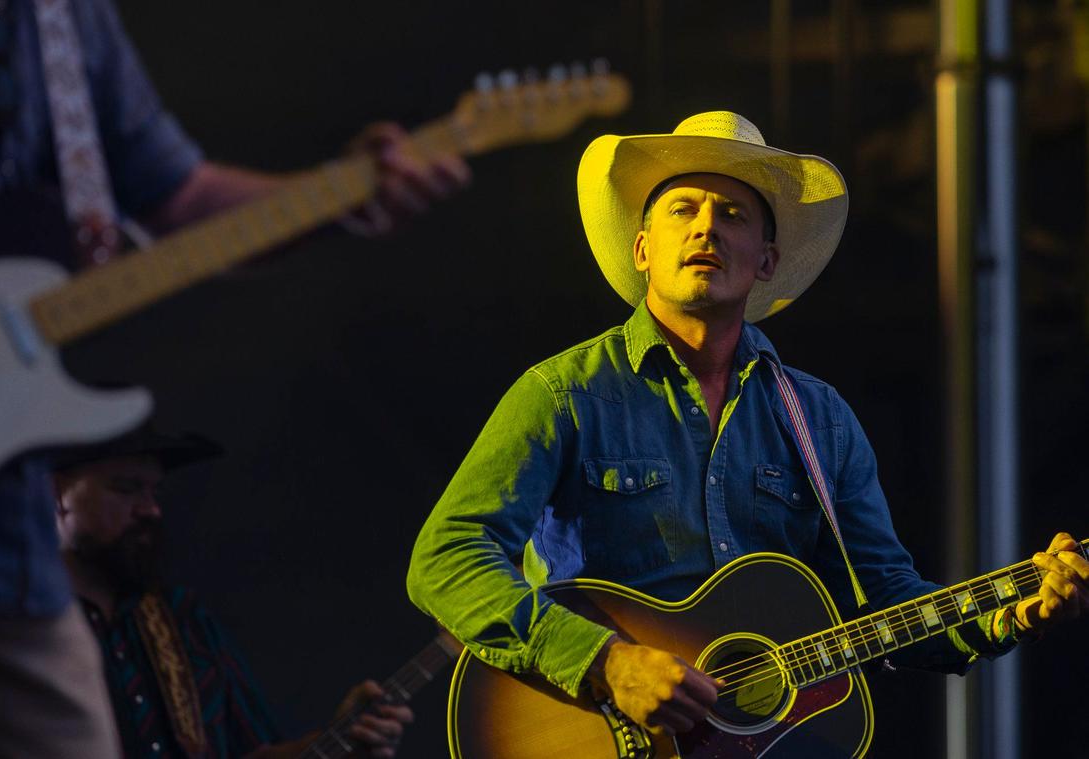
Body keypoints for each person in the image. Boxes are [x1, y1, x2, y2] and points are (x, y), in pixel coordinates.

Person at [406, 111, 1089, 740]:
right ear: (643, 248)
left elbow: (886, 600)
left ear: (766, 261)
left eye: (732, 214)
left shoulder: (820, 420)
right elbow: (445, 559)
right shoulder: (564, 393)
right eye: (683, 209)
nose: (706, 228)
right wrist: (605, 661)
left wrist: (1012, 611)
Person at [0, 1, 467, 755]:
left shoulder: (63, 18)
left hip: (2, 547)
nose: (149, 506)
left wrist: (343, 194)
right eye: (126, 486)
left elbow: (181, 197)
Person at [52, 425, 414, 759]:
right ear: (55, 494)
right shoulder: (27, 631)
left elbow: (255, 752)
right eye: (126, 488)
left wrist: (341, 740)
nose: (151, 509)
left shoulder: (181, 618)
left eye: (154, 491)